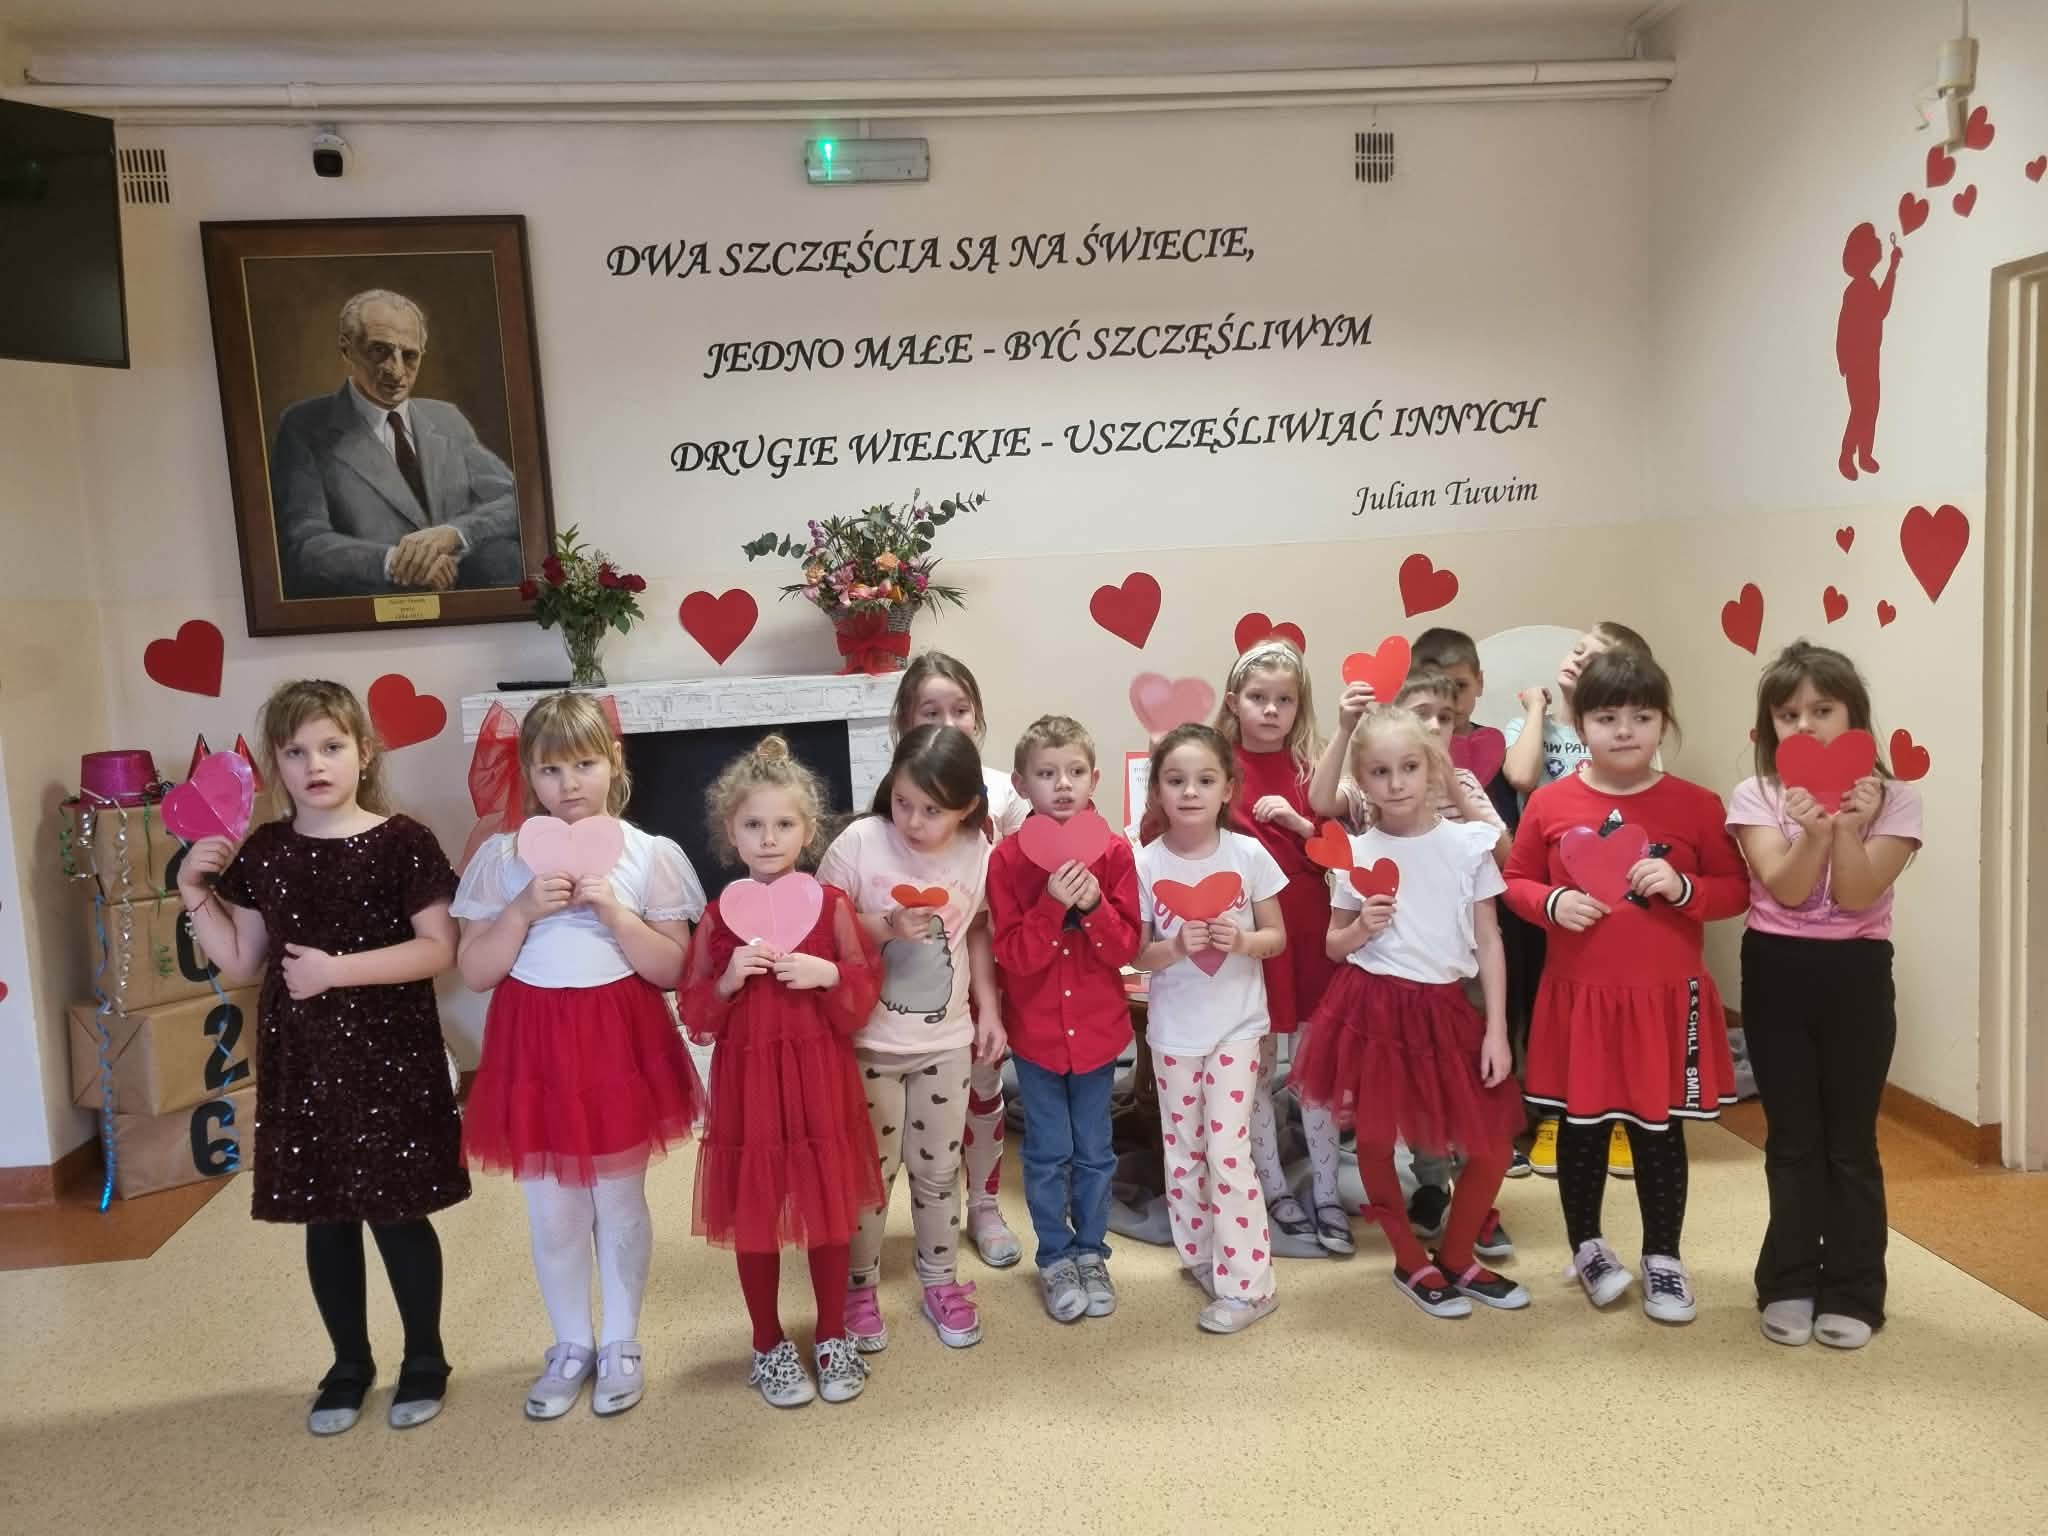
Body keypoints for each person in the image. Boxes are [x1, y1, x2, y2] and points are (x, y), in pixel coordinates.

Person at [177, 678, 466, 1436]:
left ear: (363, 753)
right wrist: (191, 889)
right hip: (302, 1061)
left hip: (389, 1054)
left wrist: (336, 970)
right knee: (326, 1215)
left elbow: (438, 948)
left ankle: (426, 1358)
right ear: (276, 765)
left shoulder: (403, 840)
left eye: (331, 746)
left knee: (396, 1212)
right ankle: (348, 1364)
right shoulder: (267, 851)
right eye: (295, 752)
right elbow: (243, 959)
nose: (315, 765)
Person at [452, 692, 706, 1420]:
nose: (568, 784)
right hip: (534, 1047)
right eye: (550, 769)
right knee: (555, 1211)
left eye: (585, 764)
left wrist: (613, 912)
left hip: (619, 1041)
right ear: (529, 775)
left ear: (614, 763)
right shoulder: (503, 859)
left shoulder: (649, 854)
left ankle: (622, 1341)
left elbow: (671, 967)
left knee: (619, 1203)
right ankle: (571, 1343)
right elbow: (476, 970)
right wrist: (523, 909)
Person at [1503, 648, 1748, 1323]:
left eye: (1641, 716)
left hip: (1663, 1003)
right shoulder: (1550, 802)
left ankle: (1664, 1256)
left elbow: (1736, 890)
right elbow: (1516, 881)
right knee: (1581, 1130)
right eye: (1607, 717)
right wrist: (1551, 902)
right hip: (1579, 999)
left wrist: (1684, 886)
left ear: (1664, 722)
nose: (1624, 731)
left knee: (1658, 1132)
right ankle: (1586, 1247)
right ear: (1581, 724)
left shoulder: (1696, 805)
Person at [1292, 706, 1528, 1317]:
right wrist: (1361, 929)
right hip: (1373, 1009)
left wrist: (1496, 1030)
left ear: (1433, 768)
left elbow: (1490, 941)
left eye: (1409, 767)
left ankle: (1458, 1254)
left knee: (1491, 1145)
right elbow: (1333, 945)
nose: (1395, 783)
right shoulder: (1357, 852)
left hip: (1447, 1009)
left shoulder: (1469, 844)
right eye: (1379, 772)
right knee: (1375, 1139)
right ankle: (1407, 1257)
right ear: (1363, 780)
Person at [681, 735, 885, 1405]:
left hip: (819, 1078)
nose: (768, 838)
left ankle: (832, 1334)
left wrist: (828, 974)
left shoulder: (831, 906)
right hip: (750, 1088)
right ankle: (766, 1342)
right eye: (753, 824)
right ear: (730, 832)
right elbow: (696, 1010)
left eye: (783, 824)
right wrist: (729, 980)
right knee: (757, 1210)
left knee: (828, 1209)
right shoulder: (719, 917)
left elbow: (861, 991)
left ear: (808, 829)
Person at [1728, 642, 1920, 1350]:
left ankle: (1854, 1289)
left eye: (1822, 709)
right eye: (1788, 714)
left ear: (1854, 717)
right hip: (1775, 970)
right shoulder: (1756, 795)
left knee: (1849, 1143)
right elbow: (1785, 888)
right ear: (1770, 726)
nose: (1805, 724)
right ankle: (1787, 1281)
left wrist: (1844, 825)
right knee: (1792, 1140)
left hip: (1857, 976)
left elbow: (1860, 893)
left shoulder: (1897, 799)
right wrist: (1812, 830)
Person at [819, 724, 1003, 1351]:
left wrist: (989, 1010)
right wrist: (885, 926)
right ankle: (859, 1287)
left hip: (945, 1044)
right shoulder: (859, 842)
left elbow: (976, 932)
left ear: (967, 807)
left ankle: (941, 1281)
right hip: (869, 1042)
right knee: (871, 1173)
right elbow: (821, 926)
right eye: (903, 803)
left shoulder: (979, 850)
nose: (914, 822)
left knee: (938, 1170)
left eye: (932, 810)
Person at [1133, 723, 1289, 1334]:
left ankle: (1251, 1285)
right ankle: (1201, 1254)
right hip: (1174, 1032)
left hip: (1237, 1028)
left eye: (1204, 780)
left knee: (1226, 1151)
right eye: (1176, 781)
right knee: (1184, 1150)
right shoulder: (1144, 862)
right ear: (1157, 790)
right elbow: (1139, 954)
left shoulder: (1248, 855)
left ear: (1228, 788)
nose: (1190, 792)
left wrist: (1243, 940)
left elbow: (1276, 938)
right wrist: (1174, 947)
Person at [987, 715, 1142, 1323]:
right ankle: (1055, 1257)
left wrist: (1094, 904)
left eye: (1075, 771)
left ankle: (1091, 1252)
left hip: (1098, 1036)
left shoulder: (1115, 852)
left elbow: (1124, 947)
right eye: (1047, 773)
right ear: (1021, 784)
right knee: (1049, 1152)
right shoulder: (1007, 860)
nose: (1063, 784)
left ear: (1094, 779)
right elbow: (1014, 956)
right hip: (1039, 1040)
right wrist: (1052, 905)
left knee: (1096, 1151)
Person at [889, 652, 1029, 1269]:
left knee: (982, 1085)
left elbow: (1016, 882)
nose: (949, 722)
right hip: (913, 974)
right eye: (930, 711)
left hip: (983, 965)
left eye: (961, 709)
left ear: (978, 716)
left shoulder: (1005, 793)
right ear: (904, 721)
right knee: (915, 1103)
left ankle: (986, 1205)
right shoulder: (897, 794)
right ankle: (921, 1208)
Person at [1502, 620, 1654, 1179]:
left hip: (1609, 897)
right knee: (1548, 1010)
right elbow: (1521, 776)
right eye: (1577, 651)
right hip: (1542, 893)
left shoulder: (1624, 738)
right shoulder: (1532, 724)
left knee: (1607, 1011)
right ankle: (1552, 1113)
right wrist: (1539, 709)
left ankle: (1615, 1116)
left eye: (1593, 658)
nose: (1575, 660)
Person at [1211, 639, 1347, 1254]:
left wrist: (1300, 825)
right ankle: (1274, 1189)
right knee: (1257, 1068)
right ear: (1233, 702)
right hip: (1253, 941)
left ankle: (1327, 1190)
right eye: (1258, 698)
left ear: (1300, 706)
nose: (1271, 710)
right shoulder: (1219, 768)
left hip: (1313, 935)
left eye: (1284, 700)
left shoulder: (1313, 770)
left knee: (1316, 1069)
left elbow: (1343, 857)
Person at [271, 288, 525, 598]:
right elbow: (303, 543)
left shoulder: (447, 419)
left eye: (410, 355)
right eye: (379, 351)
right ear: (347, 349)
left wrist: (455, 533)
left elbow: (519, 501)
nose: (396, 370)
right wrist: (396, 562)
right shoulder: (303, 425)